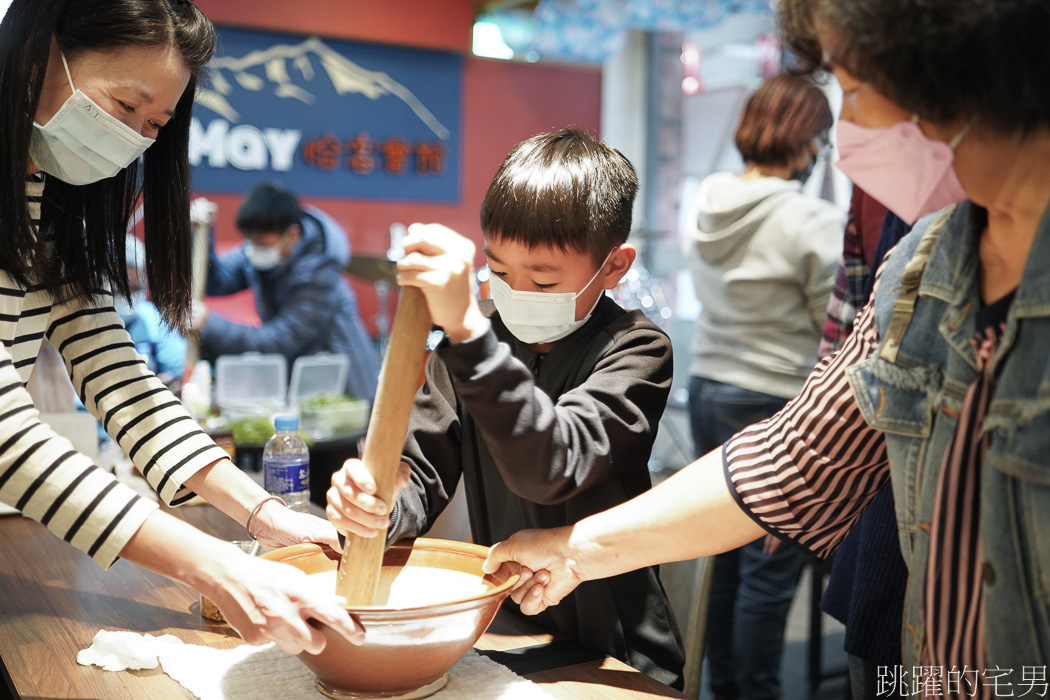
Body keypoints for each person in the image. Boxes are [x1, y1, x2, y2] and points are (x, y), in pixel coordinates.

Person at [483, 0, 1050, 691]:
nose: (847, 137)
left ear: (959, 77)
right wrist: (578, 550)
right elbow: (793, 459)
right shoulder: (924, 269)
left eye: (858, 91)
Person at [0, 0, 362, 655]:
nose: (133, 137)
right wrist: (218, 566)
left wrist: (265, 514)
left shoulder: (51, 205)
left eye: (154, 124)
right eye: (122, 106)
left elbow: (120, 378)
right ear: (38, 53)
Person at [327, 129, 686, 688]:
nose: (515, 293)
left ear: (614, 266)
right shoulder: (464, 353)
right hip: (500, 627)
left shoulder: (636, 351)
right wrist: (376, 508)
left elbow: (555, 466)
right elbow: (419, 472)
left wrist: (469, 332)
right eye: (498, 272)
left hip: (612, 645)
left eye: (543, 280)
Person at [685, 73, 844, 700]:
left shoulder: (709, 201)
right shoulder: (810, 218)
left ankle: (719, 685)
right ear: (806, 140)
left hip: (709, 387)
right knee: (769, 570)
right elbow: (834, 326)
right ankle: (754, 693)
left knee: (721, 554)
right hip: (778, 398)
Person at [191, 182, 378, 401]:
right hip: (300, 386)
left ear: (293, 234)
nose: (253, 250)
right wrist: (202, 232)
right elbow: (216, 282)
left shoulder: (319, 274)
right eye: (249, 241)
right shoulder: (261, 251)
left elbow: (278, 341)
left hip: (341, 392)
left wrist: (209, 323)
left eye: (261, 243)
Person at [117, 233, 187, 389]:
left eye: (133, 284)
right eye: (118, 286)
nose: (126, 284)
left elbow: (180, 370)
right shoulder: (84, 321)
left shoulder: (151, 317)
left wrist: (167, 384)